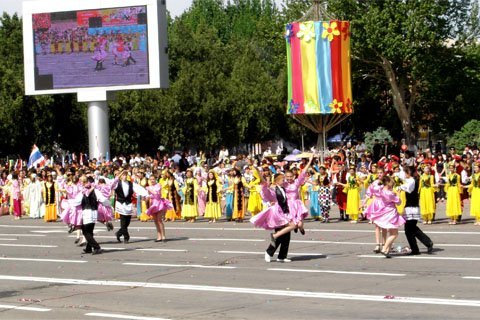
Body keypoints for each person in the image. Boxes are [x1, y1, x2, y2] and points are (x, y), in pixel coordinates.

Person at [70, 176, 111, 255]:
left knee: (86, 232)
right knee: (90, 231)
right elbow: (102, 199)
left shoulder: (83, 191)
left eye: (81, 182)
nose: (80, 183)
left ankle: (96, 247)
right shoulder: (95, 190)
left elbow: (77, 201)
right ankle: (88, 248)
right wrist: (108, 204)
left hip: (87, 212)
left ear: (83, 182)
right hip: (94, 212)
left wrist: (70, 203)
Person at [368, 175, 406, 258]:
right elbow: (399, 202)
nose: (392, 183)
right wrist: (398, 194)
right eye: (391, 182)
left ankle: (387, 251)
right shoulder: (389, 193)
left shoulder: (380, 190)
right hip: (391, 213)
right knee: (395, 234)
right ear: (388, 183)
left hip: (386, 212)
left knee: (392, 232)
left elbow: (372, 189)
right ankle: (384, 248)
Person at [399, 167, 433, 255]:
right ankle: (426, 243)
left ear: (408, 173)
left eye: (405, 173)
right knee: (412, 228)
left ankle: (416, 249)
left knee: (408, 229)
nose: (404, 175)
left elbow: (408, 188)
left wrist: (400, 187)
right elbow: (402, 178)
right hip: (411, 207)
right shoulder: (411, 180)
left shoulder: (411, 181)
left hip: (411, 207)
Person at [112, 169, 148, 244]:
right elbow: (112, 184)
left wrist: (145, 194)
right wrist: (119, 174)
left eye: (126, 175)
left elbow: (139, 189)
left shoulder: (131, 184)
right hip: (120, 203)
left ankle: (119, 233)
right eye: (123, 175)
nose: (124, 176)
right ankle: (126, 237)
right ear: (120, 176)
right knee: (123, 220)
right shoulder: (117, 183)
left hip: (128, 203)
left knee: (127, 221)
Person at [146, 175, 173, 242]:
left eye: (153, 179)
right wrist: (146, 197)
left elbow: (157, 194)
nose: (152, 180)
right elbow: (148, 196)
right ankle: (159, 236)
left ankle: (163, 236)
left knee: (159, 220)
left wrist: (149, 190)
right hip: (153, 204)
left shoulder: (158, 185)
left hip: (159, 203)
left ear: (156, 179)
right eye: (150, 179)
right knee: (155, 221)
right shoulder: (149, 187)